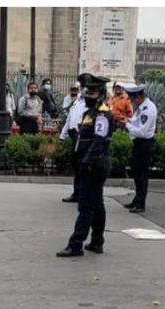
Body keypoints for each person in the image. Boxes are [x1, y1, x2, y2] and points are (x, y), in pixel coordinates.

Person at [57, 73, 114, 258]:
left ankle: (76, 244)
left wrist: (86, 162)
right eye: (87, 92)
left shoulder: (103, 114)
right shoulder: (90, 113)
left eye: (93, 93)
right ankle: (97, 241)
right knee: (96, 204)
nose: (88, 95)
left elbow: (99, 142)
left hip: (94, 165)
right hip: (90, 163)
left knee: (85, 206)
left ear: (101, 94)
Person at [121, 84, 157, 213]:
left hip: (144, 144)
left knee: (141, 175)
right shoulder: (141, 107)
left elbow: (141, 131)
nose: (130, 101)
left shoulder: (147, 109)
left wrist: (127, 125)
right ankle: (137, 199)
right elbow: (136, 120)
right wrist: (128, 120)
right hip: (139, 144)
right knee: (137, 174)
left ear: (138, 97)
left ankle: (141, 203)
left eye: (132, 98)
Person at [59, 86, 87, 203]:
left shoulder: (89, 106)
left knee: (83, 168)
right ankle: (77, 193)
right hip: (74, 137)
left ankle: (84, 194)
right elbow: (69, 120)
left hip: (83, 138)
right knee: (76, 167)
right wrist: (62, 136)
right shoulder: (75, 103)